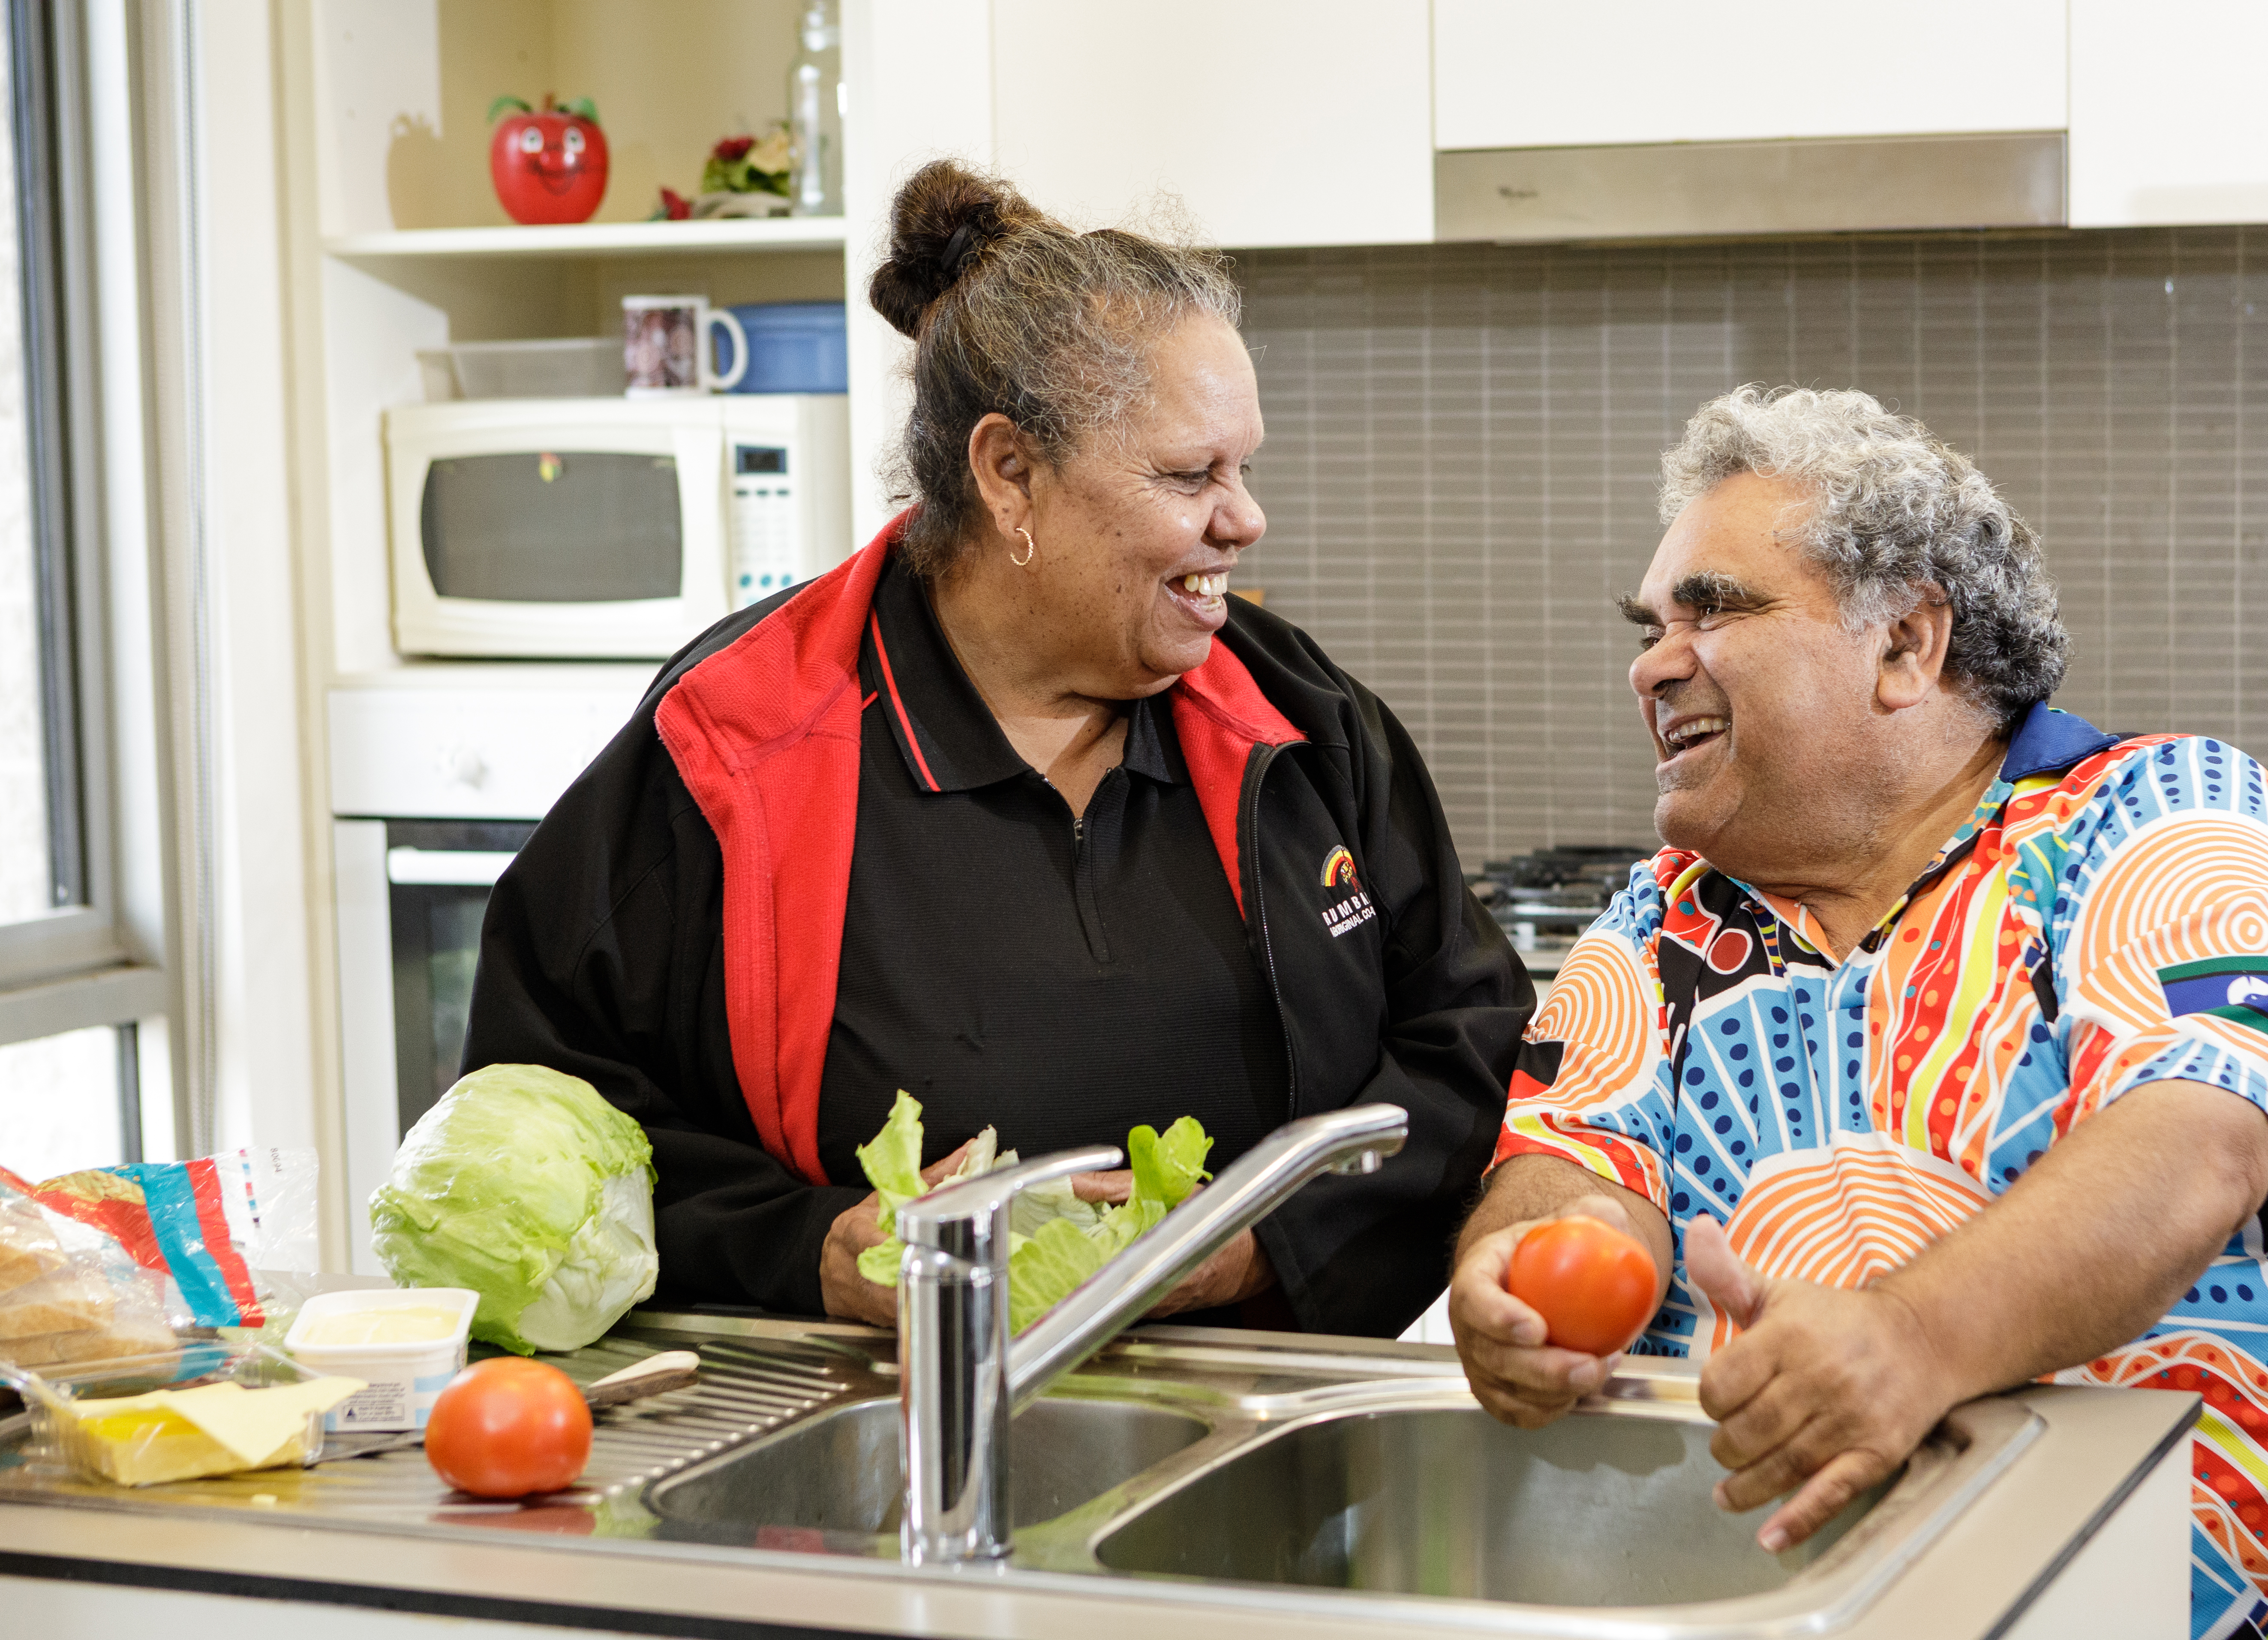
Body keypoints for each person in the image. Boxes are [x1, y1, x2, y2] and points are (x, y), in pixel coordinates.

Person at [1448, 387, 2268, 1640]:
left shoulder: (2162, 824)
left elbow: (2191, 1142)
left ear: (1907, 645)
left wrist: (1905, 1339)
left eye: (1711, 609)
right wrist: (1533, 1277)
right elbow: (1569, 1160)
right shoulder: (1657, 922)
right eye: (1646, 621)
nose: (1654, 662)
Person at [466, 162, 1529, 1335]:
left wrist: (1254, 1249)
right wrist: (810, 1246)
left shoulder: (1298, 718)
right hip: (873, 1443)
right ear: (1009, 474)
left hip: (1269, 1431)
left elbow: (1472, 1044)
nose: (1245, 517)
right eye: (1190, 475)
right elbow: (548, 1120)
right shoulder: (734, 740)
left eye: (1244, 467)